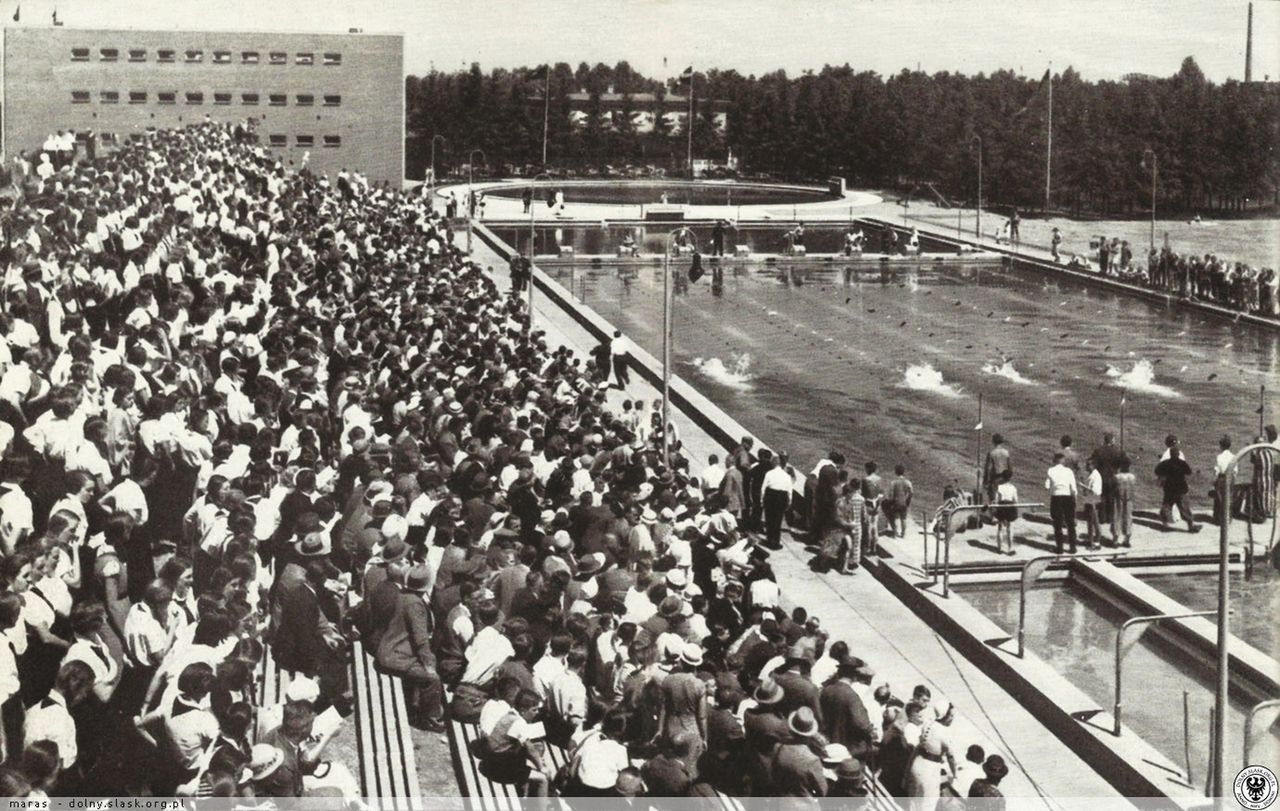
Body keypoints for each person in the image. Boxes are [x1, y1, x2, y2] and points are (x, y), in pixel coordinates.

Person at [1155, 448, 1197, 532]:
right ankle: (1191, 526)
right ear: (1178, 454)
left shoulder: (1165, 463)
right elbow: (1189, 472)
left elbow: (1157, 471)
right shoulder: (1182, 463)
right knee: (1184, 508)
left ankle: (1165, 525)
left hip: (1169, 488)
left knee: (1166, 506)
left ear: (1170, 454)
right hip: (1180, 488)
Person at [1044, 452, 1078, 554]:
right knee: (1070, 524)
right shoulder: (1069, 471)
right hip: (1067, 497)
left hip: (1056, 498)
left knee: (1057, 523)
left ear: (1055, 461)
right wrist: (1074, 501)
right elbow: (1074, 489)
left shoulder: (1050, 470)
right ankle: (1073, 547)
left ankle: (1060, 548)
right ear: (1063, 461)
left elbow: (1047, 486)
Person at [1080, 459, 1103, 550]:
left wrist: (1082, 486)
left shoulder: (1095, 476)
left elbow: (1095, 491)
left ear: (1093, 466)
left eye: (1088, 465)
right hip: (1090, 501)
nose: (1086, 466)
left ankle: (1096, 542)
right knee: (1090, 522)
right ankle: (1091, 541)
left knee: (1094, 523)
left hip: (1093, 502)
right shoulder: (1092, 475)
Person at [993, 471, 1018, 556]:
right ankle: (1010, 549)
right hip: (1010, 505)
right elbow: (1016, 500)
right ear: (1010, 478)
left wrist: (996, 508)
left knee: (1000, 528)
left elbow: (996, 500)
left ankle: (999, 548)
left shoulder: (999, 487)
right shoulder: (1013, 488)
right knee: (1010, 528)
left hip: (1002, 505)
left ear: (1002, 478)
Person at [886, 464, 913, 538]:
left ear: (896, 472)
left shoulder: (894, 482)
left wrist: (890, 502)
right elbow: (911, 492)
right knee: (903, 519)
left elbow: (891, 494)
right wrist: (908, 500)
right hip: (904, 502)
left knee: (892, 517)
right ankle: (903, 534)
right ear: (903, 472)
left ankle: (895, 532)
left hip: (896, 502)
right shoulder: (907, 482)